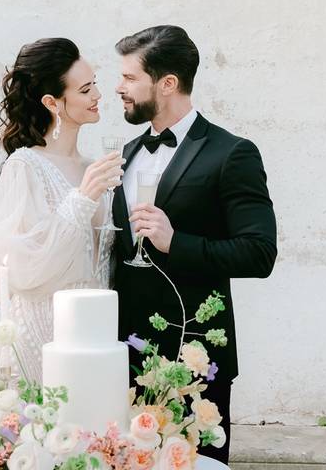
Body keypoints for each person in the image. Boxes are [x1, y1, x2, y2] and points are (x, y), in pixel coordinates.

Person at [111, 25, 277, 463]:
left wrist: (175, 242)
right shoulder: (127, 152)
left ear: (167, 84)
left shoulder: (232, 153)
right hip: (122, 357)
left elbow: (260, 253)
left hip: (194, 357)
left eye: (129, 78)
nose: (119, 88)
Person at [0, 37, 124, 382]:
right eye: (85, 89)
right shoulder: (25, 166)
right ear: (52, 102)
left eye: (96, 86)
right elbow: (19, 265)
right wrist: (81, 200)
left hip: (94, 334)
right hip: (42, 332)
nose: (97, 96)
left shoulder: (94, 167)